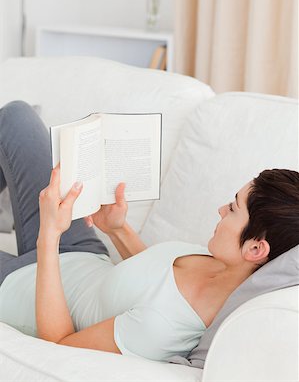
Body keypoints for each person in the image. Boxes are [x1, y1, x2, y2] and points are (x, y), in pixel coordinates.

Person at [0, 101, 298, 362]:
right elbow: (155, 281)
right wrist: (117, 229)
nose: (221, 210)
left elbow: (58, 345)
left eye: (233, 209)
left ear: (256, 249)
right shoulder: (222, 262)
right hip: (83, 253)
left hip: (25, 286)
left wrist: (49, 235)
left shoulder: (162, 328)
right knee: (17, 118)